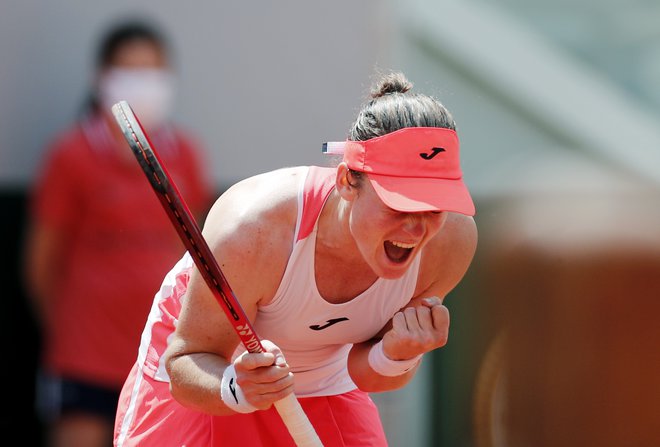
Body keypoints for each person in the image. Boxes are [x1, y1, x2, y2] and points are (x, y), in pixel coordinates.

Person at [113, 71, 478, 446]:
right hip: (215, 373)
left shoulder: (450, 243)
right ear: (346, 182)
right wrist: (237, 389)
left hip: (325, 381)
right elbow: (185, 363)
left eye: (434, 208)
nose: (416, 230)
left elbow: (366, 374)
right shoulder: (253, 229)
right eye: (400, 204)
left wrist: (399, 354)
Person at [22, 19, 214, 447]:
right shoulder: (70, 156)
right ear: (102, 79)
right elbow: (39, 264)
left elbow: (199, 254)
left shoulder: (185, 153)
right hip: (83, 359)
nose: (143, 85)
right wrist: (72, 335)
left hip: (165, 356)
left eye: (152, 72)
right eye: (130, 71)